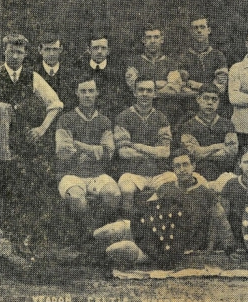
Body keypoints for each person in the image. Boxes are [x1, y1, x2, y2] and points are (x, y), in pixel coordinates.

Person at [0, 33, 63, 259]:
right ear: (4, 51)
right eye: (11, 51)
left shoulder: (33, 77)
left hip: (21, 146)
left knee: (20, 196)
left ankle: (19, 243)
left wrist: (41, 129)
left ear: (26, 54)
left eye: (20, 52)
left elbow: (56, 104)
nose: (15, 55)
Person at [94, 149, 234, 270]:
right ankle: (91, 250)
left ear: (193, 166)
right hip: (155, 233)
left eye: (185, 164)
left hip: (178, 244)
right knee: (111, 230)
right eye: (177, 166)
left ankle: (105, 256)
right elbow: (146, 212)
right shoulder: (165, 188)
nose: (182, 169)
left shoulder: (205, 193)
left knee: (121, 249)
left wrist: (230, 248)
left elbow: (222, 222)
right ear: (173, 169)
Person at [56, 77, 121, 243]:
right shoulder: (66, 119)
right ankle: (89, 238)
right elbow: (63, 151)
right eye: (83, 91)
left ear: (97, 93)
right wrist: (95, 150)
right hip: (71, 174)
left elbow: (108, 152)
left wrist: (79, 145)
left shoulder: (104, 121)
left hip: (97, 174)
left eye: (91, 91)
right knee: (77, 198)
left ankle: (99, 235)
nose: (87, 95)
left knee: (113, 194)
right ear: (77, 93)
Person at [114, 79, 172, 216]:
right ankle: (128, 225)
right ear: (134, 92)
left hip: (158, 171)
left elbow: (165, 152)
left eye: (149, 90)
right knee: (126, 190)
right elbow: (124, 152)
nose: (145, 94)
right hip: (132, 172)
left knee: (174, 187)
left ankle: (161, 228)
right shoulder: (124, 117)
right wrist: (153, 151)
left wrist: (136, 146)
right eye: (141, 90)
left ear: (155, 94)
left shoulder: (161, 118)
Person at [178, 83, 238, 181]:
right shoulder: (188, 126)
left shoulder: (228, 124)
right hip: (198, 175)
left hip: (224, 173)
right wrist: (219, 146)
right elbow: (193, 154)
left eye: (214, 99)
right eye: (206, 98)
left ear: (219, 102)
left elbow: (231, 152)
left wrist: (203, 151)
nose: (210, 102)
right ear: (198, 99)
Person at [75, 34, 125, 123]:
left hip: (111, 120)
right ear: (89, 50)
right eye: (95, 48)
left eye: (103, 48)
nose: (99, 51)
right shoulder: (78, 69)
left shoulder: (118, 72)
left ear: (108, 51)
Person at [177, 15, 228, 95]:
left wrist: (197, 85)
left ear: (209, 30)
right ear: (191, 31)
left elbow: (220, 87)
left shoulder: (218, 56)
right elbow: (182, 87)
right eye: (195, 28)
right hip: (190, 102)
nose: (199, 31)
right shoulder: (183, 57)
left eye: (202, 27)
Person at [125, 24, 181, 94]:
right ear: (143, 40)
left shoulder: (171, 63)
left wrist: (147, 90)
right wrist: (157, 83)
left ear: (162, 40)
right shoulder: (134, 62)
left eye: (156, 37)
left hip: (165, 103)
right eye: (148, 37)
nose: (152, 41)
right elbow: (133, 87)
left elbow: (173, 89)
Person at [35, 32, 76, 112]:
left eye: (55, 49)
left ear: (60, 49)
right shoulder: (33, 73)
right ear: (40, 50)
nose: (51, 54)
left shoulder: (71, 74)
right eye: (47, 49)